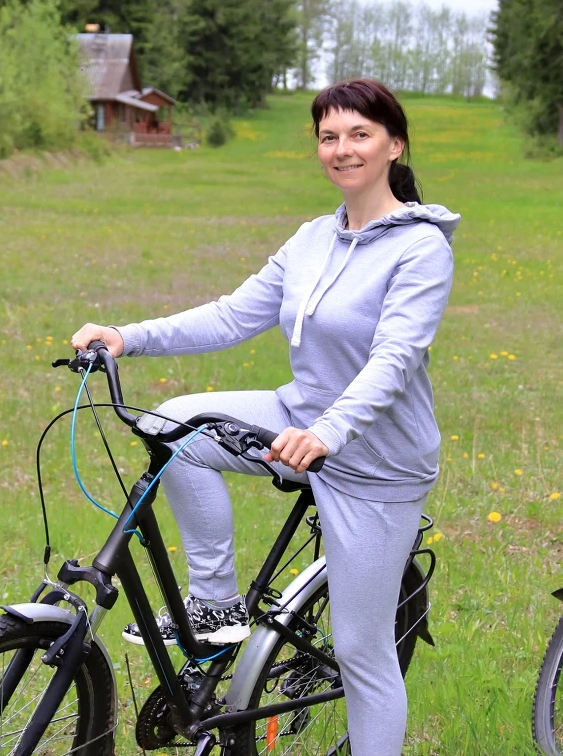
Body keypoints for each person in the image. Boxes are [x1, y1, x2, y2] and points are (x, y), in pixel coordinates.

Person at [70, 78, 458, 754]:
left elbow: (393, 360)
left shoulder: (421, 248)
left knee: (362, 652)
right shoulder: (311, 240)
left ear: (394, 145)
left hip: (375, 462)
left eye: (360, 134)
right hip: (297, 417)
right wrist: (126, 336)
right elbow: (232, 315)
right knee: (171, 426)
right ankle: (216, 607)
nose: (342, 149)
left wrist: (328, 432)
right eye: (329, 137)